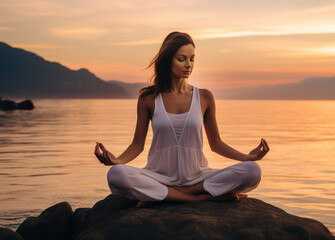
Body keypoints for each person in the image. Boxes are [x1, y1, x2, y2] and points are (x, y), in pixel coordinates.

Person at [95, 31, 269, 207]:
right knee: (115, 174)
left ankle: (175, 194)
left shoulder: (204, 96)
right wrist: (117, 160)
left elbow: (216, 143)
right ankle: (199, 198)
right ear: (168, 60)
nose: (189, 65)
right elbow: (137, 145)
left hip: (198, 177)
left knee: (252, 170)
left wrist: (247, 157)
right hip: (158, 176)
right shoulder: (148, 98)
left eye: (192, 59)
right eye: (182, 59)